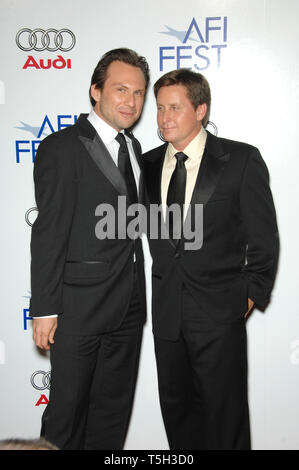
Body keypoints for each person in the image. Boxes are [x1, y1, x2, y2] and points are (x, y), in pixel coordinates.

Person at [143, 69, 279, 450]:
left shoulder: (240, 159)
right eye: (159, 108)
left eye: (174, 107)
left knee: (226, 420)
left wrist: (249, 296)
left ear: (200, 109)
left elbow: (264, 239)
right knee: (178, 418)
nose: (164, 117)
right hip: (168, 316)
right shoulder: (148, 164)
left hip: (220, 314)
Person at [30, 48, 149, 450]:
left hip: (129, 307)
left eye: (138, 92)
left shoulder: (134, 149)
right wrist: (44, 308)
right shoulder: (62, 147)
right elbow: (48, 232)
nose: (130, 101)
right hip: (77, 308)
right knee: (66, 418)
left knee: (111, 418)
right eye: (120, 89)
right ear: (95, 91)